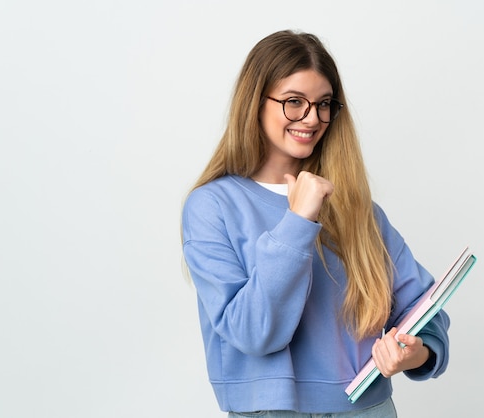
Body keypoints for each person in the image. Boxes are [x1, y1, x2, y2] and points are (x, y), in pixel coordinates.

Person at [181, 29, 450, 417]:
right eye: (294, 102)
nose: (313, 118)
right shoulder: (212, 206)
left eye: (324, 104)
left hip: (367, 409)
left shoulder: (358, 209)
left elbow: (424, 312)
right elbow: (253, 333)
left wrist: (411, 353)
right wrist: (298, 220)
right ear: (255, 102)